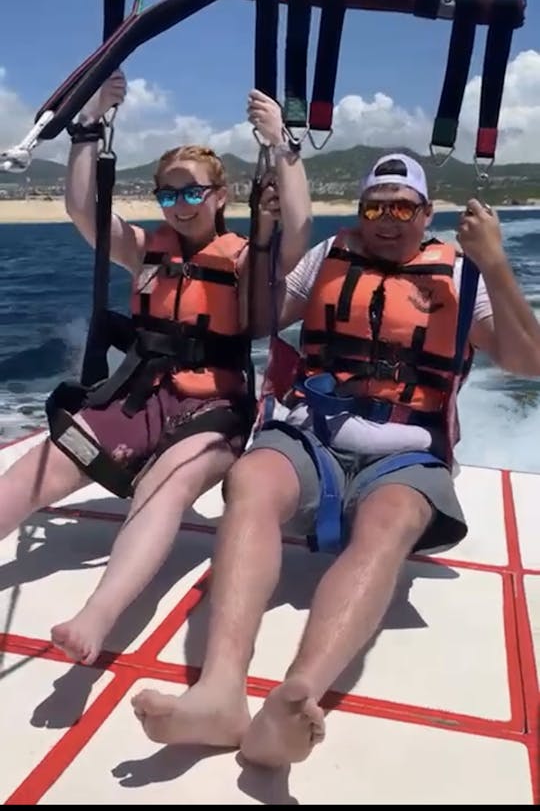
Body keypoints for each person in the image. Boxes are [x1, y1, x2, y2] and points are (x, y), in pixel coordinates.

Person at [132, 151, 540, 766]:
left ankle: (296, 701)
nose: (387, 219)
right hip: (310, 433)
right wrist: (265, 241)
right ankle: (219, 691)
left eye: (403, 206)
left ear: (427, 213)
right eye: (375, 206)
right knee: (250, 481)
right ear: (360, 212)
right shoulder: (328, 257)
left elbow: (528, 361)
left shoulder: (461, 275)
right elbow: (261, 320)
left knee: (390, 524)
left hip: (406, 451)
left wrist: (496, 264)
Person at [0, 70, 312, 666]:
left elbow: (296, 228)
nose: (179, 205)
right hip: (136, 398)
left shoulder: (248, 259)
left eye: (192, 191)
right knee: (32, 471)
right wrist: (88, 127)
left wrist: (281, 145)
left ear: (220, 196)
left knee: (162, 491)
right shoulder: (145, 249)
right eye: (168, 194)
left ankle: (98, 614)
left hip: (212, 409)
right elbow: (81, 210)